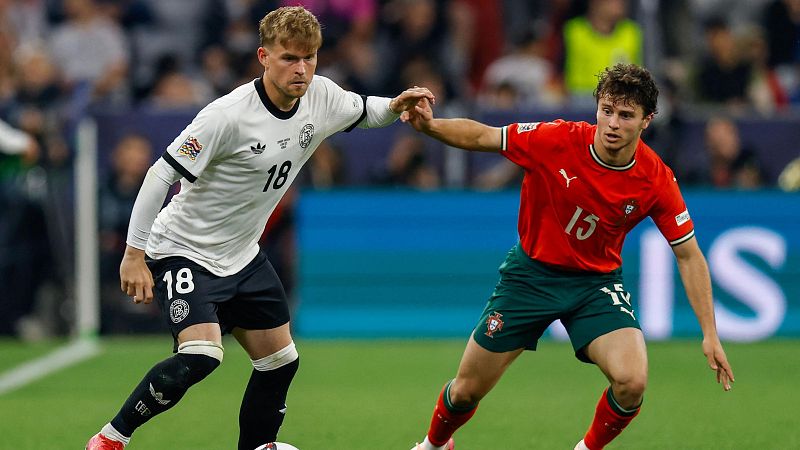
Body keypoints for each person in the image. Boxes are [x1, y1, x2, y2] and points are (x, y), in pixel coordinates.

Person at [85, 6, 434, 450]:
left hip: (242, 254)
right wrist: (135, 254)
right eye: (290, 58)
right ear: (263, 56)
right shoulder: (226, 115)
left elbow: (366, 110)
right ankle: (111, 439)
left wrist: (396, 105)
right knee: (202, 356)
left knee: (280, 360)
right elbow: (160, 175)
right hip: (183, 248)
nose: (302, 69)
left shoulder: (320, 96)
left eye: (310, 58)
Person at [402, 63, 734, 450]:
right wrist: (430, 126)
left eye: (626, 115)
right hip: (529, 277)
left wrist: (710, 332)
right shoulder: (556, 139)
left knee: (632, 381)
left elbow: (689, 255)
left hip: (595, 286)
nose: (612, 123)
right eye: (606, 110)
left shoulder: (655, 179)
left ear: (647, 121)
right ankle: (434, 444)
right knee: (465, 391)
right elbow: (483, 135)